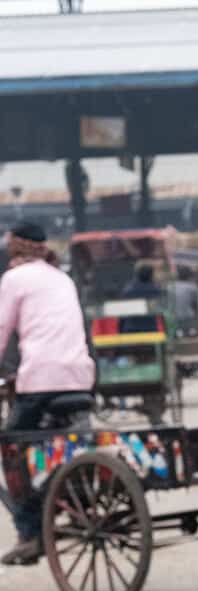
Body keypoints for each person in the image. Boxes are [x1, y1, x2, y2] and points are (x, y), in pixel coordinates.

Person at [0, 222, 95, 566]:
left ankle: (29, 533)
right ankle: (80, 501)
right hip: (79, 379)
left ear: (16, 247)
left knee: (12, 450)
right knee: (74, 443)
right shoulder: (62, 277)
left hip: (41, 379)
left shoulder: (14, 279)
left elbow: (1, 329)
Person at [167, 266, 198, 335]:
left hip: (173, 318)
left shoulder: (170, 286)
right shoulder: (192, 287)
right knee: (192, 333)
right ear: (189, 276)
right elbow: (196, 305)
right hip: (188, 318)